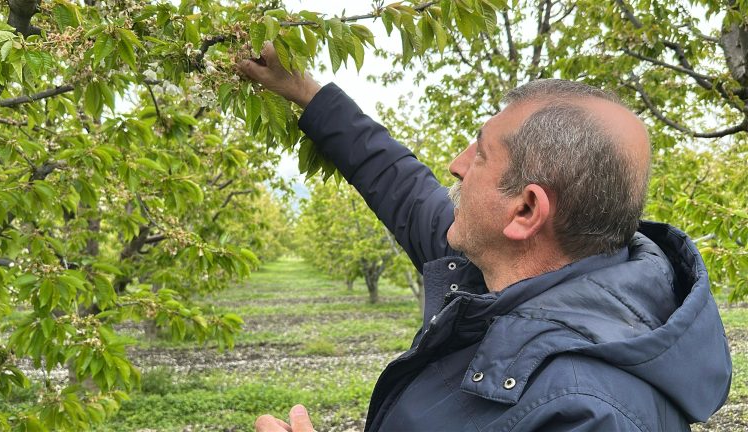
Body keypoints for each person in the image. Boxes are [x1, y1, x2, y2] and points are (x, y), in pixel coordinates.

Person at [238, 45, 732, 432]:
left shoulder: (590, 415)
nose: (455, 163)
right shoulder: (497, 272)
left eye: (480, 155)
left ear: (525, 210)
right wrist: (305, 90)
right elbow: (401, 185)